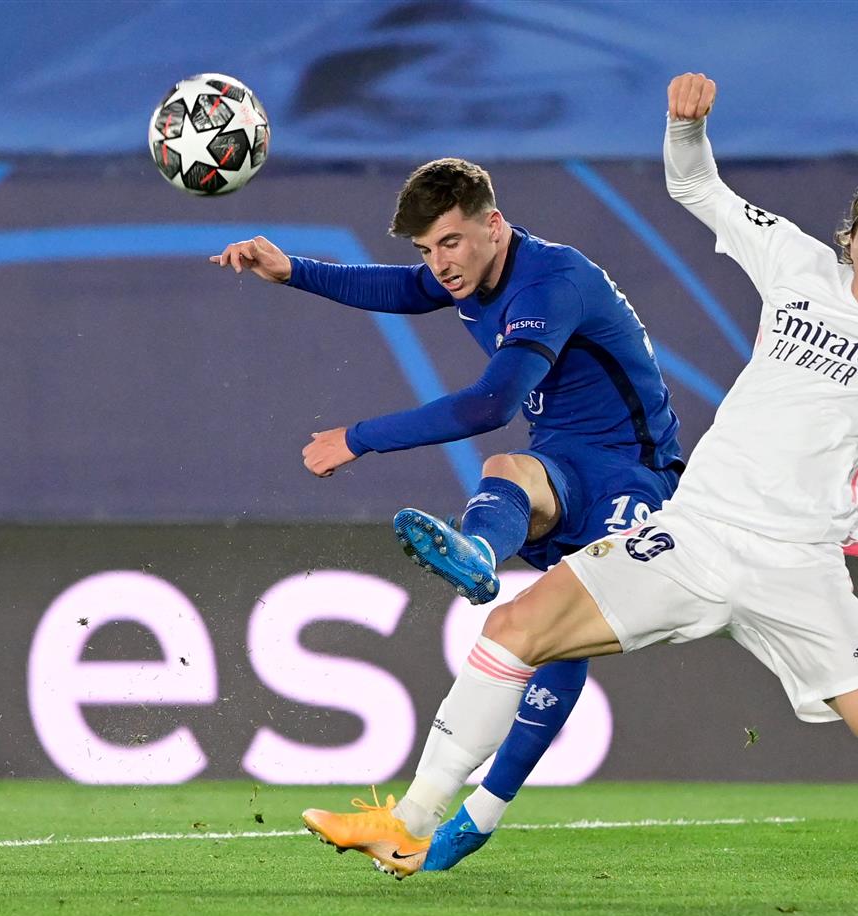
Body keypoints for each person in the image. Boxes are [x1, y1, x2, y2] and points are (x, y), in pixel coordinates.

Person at [300, 73, 858, 893]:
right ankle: (413, 816)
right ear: (849, 241)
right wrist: (685, 126)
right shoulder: (797, 266)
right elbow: (695, 185)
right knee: (512, 627)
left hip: (797, 564)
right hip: (694, 530)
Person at [210, 157, 686, 870]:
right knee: (518, 523)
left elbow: (490, 405)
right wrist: (293, 271)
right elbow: (404, 287)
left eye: (452, 243)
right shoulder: (467, 269)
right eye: (428, 249)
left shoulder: (551, 284)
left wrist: (358, 438)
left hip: (636, 477)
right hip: (561, 462)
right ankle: (477, 563)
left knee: (556, 627)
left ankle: (464, 804)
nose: (441, 265)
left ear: (494, 225)